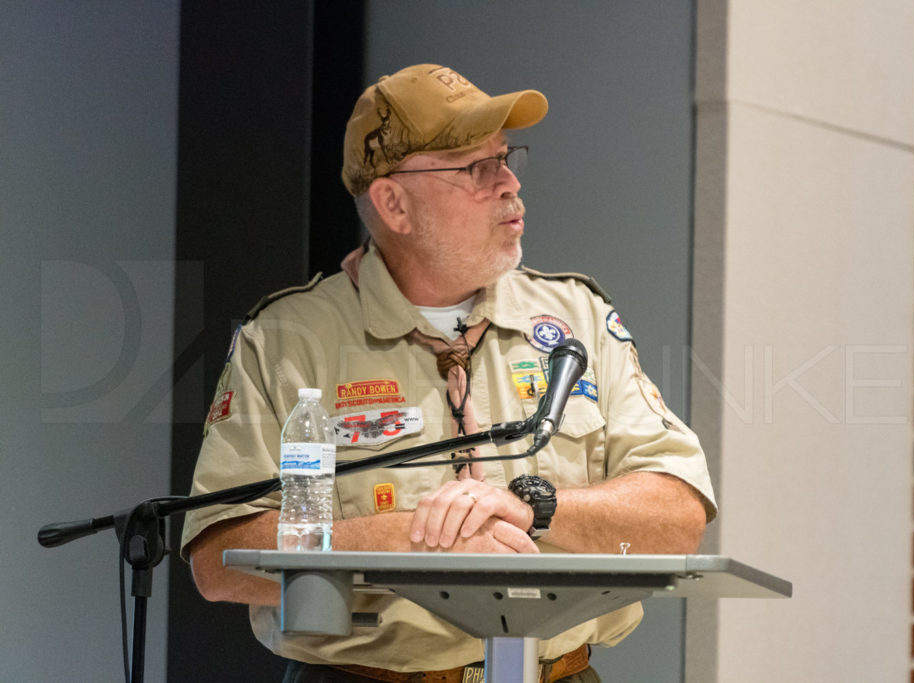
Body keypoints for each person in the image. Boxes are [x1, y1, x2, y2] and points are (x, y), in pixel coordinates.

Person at [182, 63, 717, 683]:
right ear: (394, 203)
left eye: (506, 157)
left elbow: (678, 514)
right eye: (475, 167)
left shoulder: (577, 320)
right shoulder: (287, 339)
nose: (509, 182)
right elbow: (221, 559)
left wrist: (533, 507)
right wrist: (411, 538)